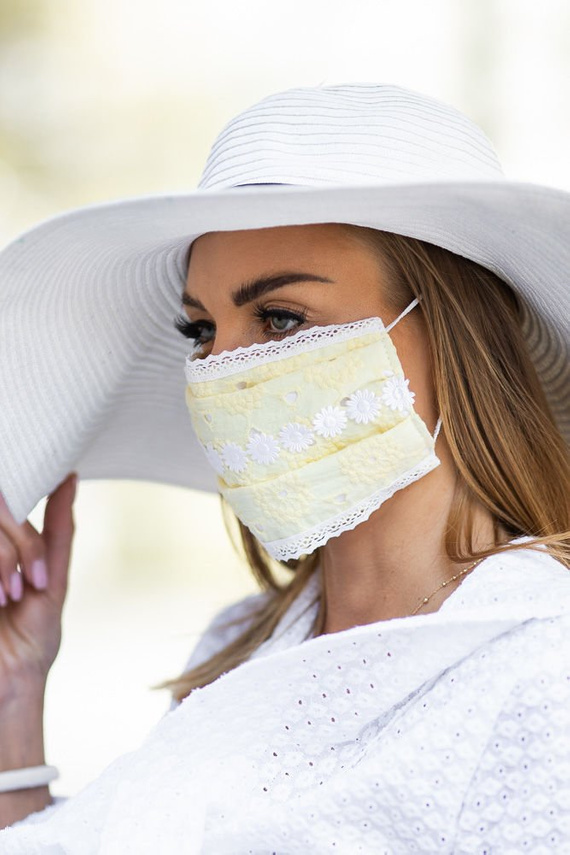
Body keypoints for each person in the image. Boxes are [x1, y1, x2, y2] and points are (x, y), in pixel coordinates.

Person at [0, 82, 568, 852]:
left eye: (279, 318)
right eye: (200, 329)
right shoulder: (237, 646)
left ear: (453, 335)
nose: (218, 370)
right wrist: (14, 696)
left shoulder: (544, 672)